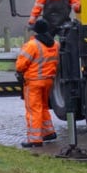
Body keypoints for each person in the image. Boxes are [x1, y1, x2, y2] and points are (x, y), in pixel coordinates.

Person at [16, 19, 60, 147]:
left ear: (36, 30)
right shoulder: (55, 44)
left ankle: (34, 139)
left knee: (33, 109)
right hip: (48, 80)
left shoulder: (32, 45)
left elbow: (20, 65)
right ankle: (48, 132)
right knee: (43, 106)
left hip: (34, 81)